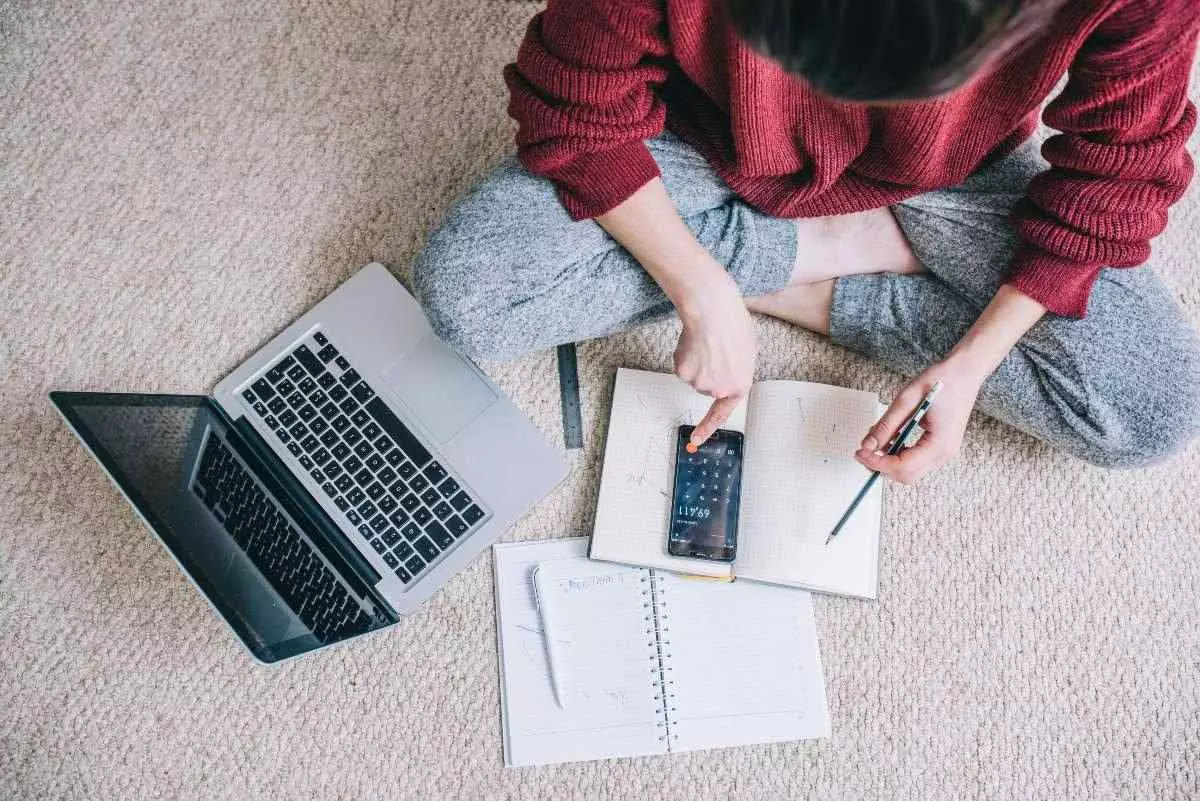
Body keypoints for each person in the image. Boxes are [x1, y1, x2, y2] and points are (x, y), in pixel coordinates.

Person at [413, 0, 1200, 483]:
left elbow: (1116, 181)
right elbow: (574, 108)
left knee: (1155, 406)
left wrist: (970, 366)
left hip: (943, 175)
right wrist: (701, 289)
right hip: (695, 134)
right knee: (470, 297)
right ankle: (828, 249)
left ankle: (811, 257)